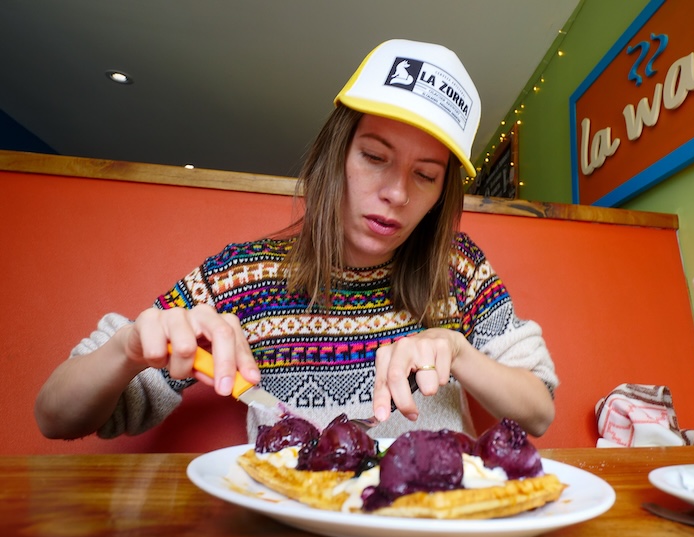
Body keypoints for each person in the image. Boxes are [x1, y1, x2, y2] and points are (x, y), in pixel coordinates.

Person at [34, 39, 558, 443]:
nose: (396, 192)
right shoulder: (240, 278)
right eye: (375, 157)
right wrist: (129, 348)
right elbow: (54, 417)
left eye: (425, 175)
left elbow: (538, 410)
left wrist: (458, 352)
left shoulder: (459, 268)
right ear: (338, 155)